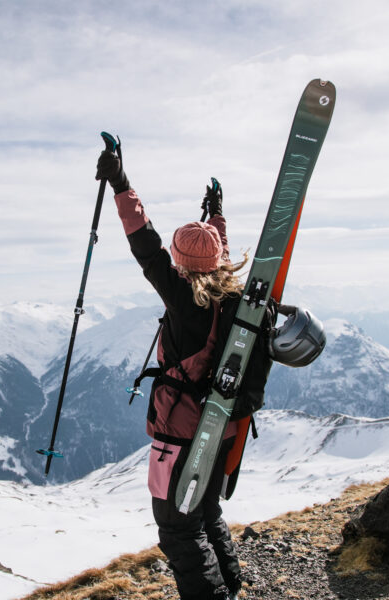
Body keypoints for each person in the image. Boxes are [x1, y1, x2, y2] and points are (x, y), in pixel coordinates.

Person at [96, 140, 247, 600]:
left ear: (180, 262)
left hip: (182, 432)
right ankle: (232, 586)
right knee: (204, 514)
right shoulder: (232, 299)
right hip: (221, 426)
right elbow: (210, 255)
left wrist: (121, 183)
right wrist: (215, 216)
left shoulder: (184, 300)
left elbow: (144, 242)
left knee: (177, 528)